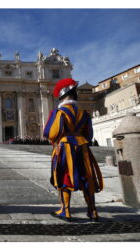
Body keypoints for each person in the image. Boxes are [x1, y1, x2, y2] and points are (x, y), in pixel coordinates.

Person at [43, 78, 103, 222]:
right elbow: (89, 135)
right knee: (87, 177)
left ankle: (66, 211)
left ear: (62, 97)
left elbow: (50, 133)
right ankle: (93, 211)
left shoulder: (59, 112)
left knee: (64, 176)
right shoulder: (84, 113)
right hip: (83, 147)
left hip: (64, 147)